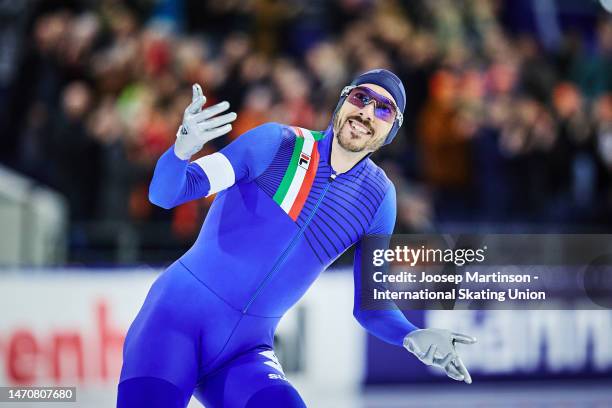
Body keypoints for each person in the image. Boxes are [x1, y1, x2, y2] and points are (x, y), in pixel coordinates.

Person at [117, 69, 476, 408]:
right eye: (361, 97)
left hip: (244, 353)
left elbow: (371, 307)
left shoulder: (378, 199)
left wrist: (410, 335)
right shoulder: (276, 144)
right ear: (341, 100)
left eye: (384, 108)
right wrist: (180, 151)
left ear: (392, 130)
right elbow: (167, 194)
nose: (367, 111)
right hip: (174, 321)